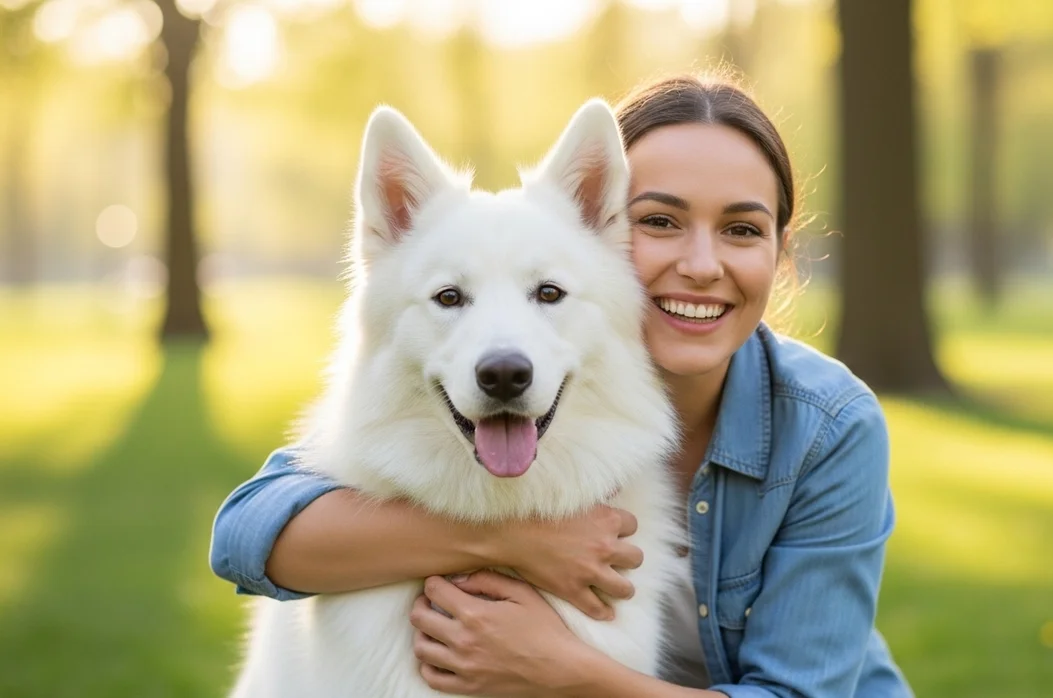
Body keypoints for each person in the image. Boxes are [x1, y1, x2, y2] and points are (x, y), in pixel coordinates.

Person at [210, 73, 912, 697]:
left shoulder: (828, 425)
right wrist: (505, 540)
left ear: (780, 253)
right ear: (614, 232)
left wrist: (565, 672)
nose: (701, 265)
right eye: (660, 221)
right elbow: (246, 530)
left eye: (740, 229)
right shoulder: (545, 321)